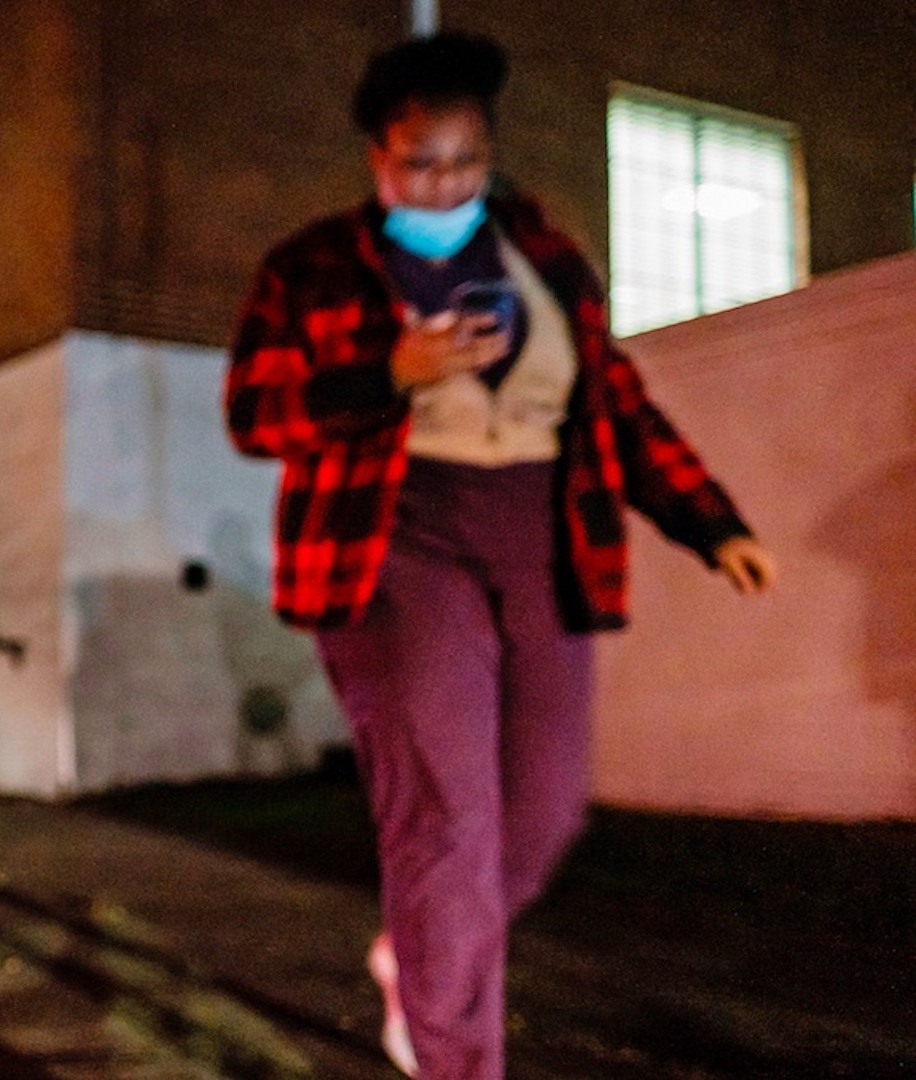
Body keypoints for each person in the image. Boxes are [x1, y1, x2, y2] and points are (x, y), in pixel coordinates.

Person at [222, 32, 777, 1080]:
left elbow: (615, 404)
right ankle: (454, 1055)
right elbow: (257, 413)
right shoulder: (311, 266)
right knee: (449, 818)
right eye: (417, 161)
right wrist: (388, 369)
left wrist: (711, 523)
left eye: (464, 160)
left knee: (545, 810)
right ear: (376, 161)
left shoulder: (547, 257)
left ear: (490, 154)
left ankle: (420, 952)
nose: (442, 182)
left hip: (543, 537)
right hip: (394, 538)